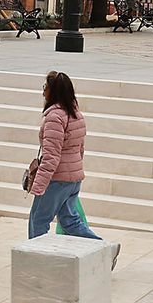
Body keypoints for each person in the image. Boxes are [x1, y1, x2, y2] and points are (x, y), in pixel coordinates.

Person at [27, 71, 117, 267]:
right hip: (72, 178)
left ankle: (36, 264)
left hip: (57, 179)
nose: (43, 93)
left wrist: (39, 186)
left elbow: (51, 157)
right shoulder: (76, 114)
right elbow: (80, 148)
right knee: (70, 222)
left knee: (38, 221)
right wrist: (75, 172)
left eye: (45, 88)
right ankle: (105, 249)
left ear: (53, 92)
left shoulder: (55, 118)